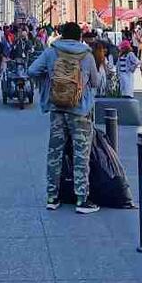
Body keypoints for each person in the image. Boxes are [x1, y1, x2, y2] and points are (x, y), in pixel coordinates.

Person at [26, 22, 104, 214]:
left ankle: (52, 197)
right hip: (80, 112)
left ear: (62, 36)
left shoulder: (52, 52)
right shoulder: (86, 55)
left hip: (57, 109)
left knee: (54, 153)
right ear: (79, 37)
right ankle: (81, 200)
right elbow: (95, 82)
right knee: (80, 155)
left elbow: (32, 71)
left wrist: (50, 81)